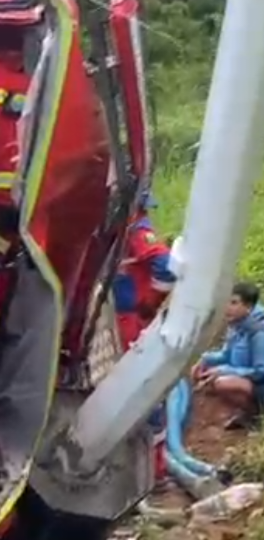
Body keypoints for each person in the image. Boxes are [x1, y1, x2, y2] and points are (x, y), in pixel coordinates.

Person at [112, 191, 176, 484]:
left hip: (130, 320)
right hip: (120, 318)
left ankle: (155, 470)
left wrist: (151, 301)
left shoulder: (137, 229)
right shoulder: (121, 228)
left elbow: (165, 265)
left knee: (142, 387)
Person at [193, 281, 264, 430]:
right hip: (247, 375)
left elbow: (260, 371)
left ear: (248, 307)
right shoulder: (236, 324)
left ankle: (254, 415)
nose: (227, 307)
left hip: (259, 380)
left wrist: (224, 370)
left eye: (234, 303)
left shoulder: (259, 332)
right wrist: (205, 358)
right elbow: (226, 355)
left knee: (223, 383)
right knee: (205, 370)